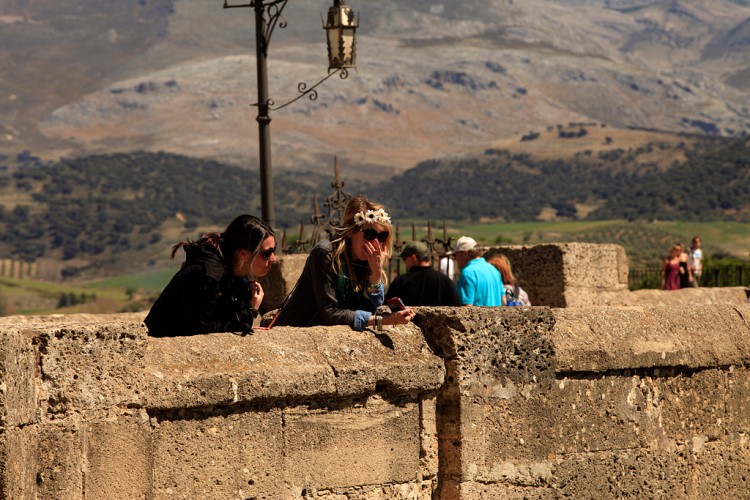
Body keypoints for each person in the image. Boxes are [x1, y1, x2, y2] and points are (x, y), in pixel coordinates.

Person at [274, 195, 415, 331]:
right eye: (370, 234)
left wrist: (375, 276)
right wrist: (382, 321)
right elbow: (330, 314)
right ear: (350, 232)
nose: (376, 242)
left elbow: (365, 311)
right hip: (294, 334)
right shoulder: (326, 254)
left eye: (382, 236)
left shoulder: (366, 264)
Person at [145, 214, 277, 337]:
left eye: (274, 250)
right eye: (267, 253)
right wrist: (251, 310)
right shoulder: (207, 275)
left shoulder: (235, 271)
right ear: (243, 254)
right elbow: (201, 331)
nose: (273, 259)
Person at [386, 241, 460, 307]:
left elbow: (388, 306)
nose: (405, 262)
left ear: (413, 258)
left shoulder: (401, 281)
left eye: (405, 258)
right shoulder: (444, 281)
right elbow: (456, 307)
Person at [451, 236, 506, 306]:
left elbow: (466, 308)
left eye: (455, 255)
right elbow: (504, 302)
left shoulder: (467, 273)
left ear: (464, 254)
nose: (455, 259)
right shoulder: (494, 270)